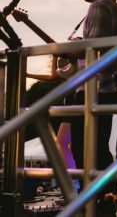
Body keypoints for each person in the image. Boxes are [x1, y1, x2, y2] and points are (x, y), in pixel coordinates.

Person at [70, 0, 117, 199]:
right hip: (108, 90)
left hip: (93, 89)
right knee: (100, 149)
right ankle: (106, 199)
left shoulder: (98, 7)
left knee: (83, 149)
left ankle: (92, 201)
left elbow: (92, 50)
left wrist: (72, 49)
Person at [27, 56, 80, 191]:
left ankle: (75, 183)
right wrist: (27, 74)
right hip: (72, 99)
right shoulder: (69, 67)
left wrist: (55, 54)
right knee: (68, 144)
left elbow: (52, 75)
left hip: (74, 99)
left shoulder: (76, 63)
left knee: (63, 143)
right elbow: (53, 75)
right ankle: (75, 183)